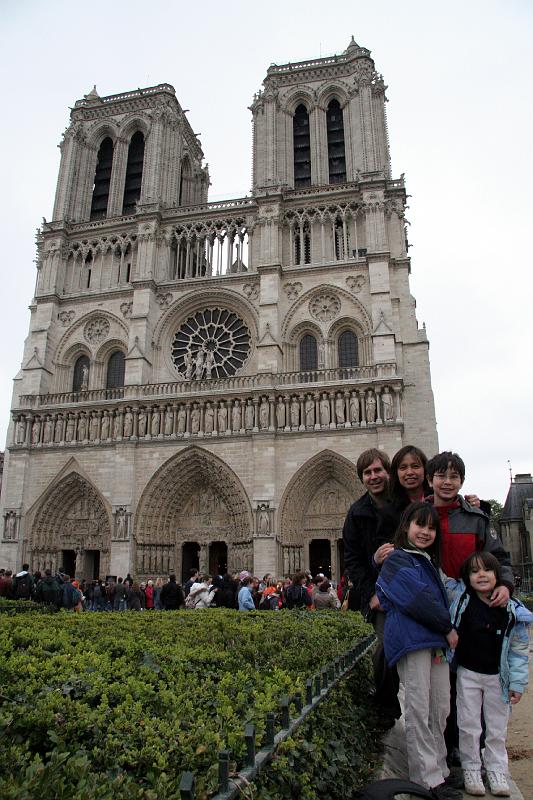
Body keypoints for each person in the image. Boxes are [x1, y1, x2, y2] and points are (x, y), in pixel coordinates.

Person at [376, 502, 462, 800]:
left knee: (439, 708)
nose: (425, 532)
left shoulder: (426, 562)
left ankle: (440, 771)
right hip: (413, 643)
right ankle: (426, 781)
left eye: (431, 527)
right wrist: (448, 627)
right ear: (406, 528)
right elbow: (417, 599)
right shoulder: (396, 561)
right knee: (418, 708)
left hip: (433, 643)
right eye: (419, 525)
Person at [445, 552, 532, 797]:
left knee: (496, 727)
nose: (481, 575)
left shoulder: (512, 611)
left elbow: (518, 651)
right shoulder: (462, 602)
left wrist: (516, 682)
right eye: (474, 571)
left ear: (498, 577)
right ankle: (471, 767)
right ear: (467, 578)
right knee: (468, 724)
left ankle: (496, 769)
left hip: (498, 677)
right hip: (468, 674)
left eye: (487, 571)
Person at [342, 448, 400, 723]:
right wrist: (370, 594)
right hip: (381, 594)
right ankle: (388, 708)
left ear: (389, 471)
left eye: (379, 470)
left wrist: (476, 505)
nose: (374, 476)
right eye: (368, 472)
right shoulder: (356, 513)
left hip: (415, 589)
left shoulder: (406, 503)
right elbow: (352, 560)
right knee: (383, 653)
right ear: (361, 478)